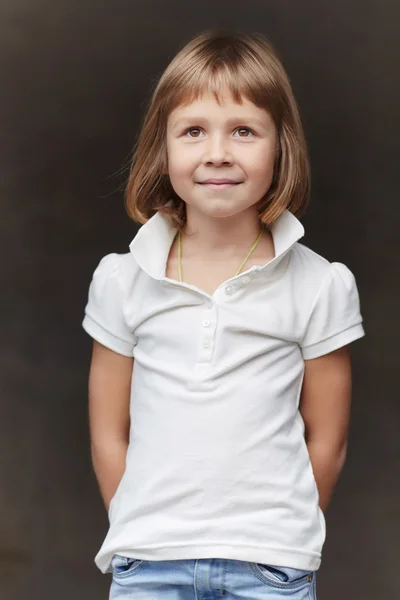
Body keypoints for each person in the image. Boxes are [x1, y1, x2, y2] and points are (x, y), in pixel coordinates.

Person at [82, 29, 365, 600]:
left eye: (243, 131)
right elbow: (109, 431)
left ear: (280, 146)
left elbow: (327, 440)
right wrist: (140, 529)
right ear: (163, 149)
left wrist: (282, 537)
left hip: (269, 568)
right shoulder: (123, 279)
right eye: (193, 132)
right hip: (150, 565)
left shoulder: (319, 284)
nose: (217, 152)